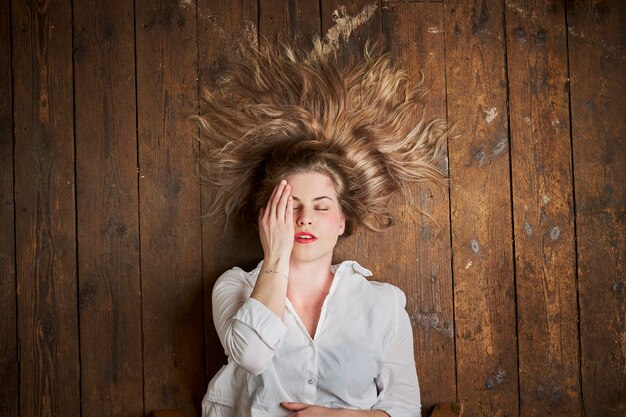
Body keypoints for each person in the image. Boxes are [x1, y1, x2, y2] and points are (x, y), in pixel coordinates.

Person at [193, 38, 450, 417]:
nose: (305, 218)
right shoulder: (235, 286)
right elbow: (251, 354)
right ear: (269, 215)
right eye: (291, 205)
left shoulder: (383, 305)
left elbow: (404, 407)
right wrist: (276, 255)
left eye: (320, 206)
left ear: (342, 219)